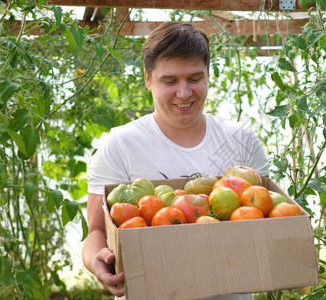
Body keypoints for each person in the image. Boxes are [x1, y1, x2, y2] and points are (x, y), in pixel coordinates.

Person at [82, 22, 269, 299]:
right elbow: (96, 230)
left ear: (208, 75)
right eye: (170, 81)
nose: (184, 93)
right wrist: (96, 261)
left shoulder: (241, 140)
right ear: (148, 79)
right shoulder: (120, 144)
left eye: (194, 78)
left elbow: (267, 217)